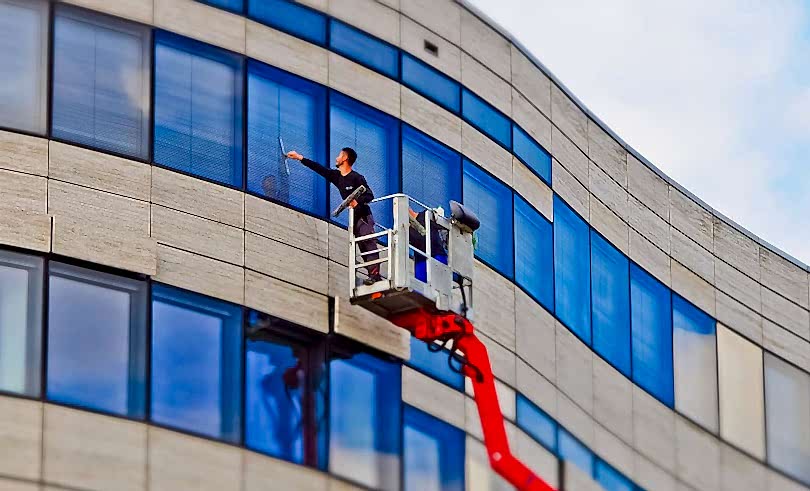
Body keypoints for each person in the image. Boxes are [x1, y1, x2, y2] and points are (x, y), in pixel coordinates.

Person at [286, 147, 382, 285]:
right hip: (354, 219)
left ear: (345, 158)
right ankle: (372, 275)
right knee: (361, 246)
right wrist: (300, 158)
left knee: (368, 243)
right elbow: (320, 169)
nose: (336, 158)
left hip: (364, 216)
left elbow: (369, 195)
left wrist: (357, 201)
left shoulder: (357, 177)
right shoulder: (337, 177)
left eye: (339, 155)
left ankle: (375, 275)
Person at [409, 208, 448, 283]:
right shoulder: (408, 229)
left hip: (437, 254)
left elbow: (440, 224)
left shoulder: (425, 215)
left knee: (439, 284)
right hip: (420, 259)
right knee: (420, 289)